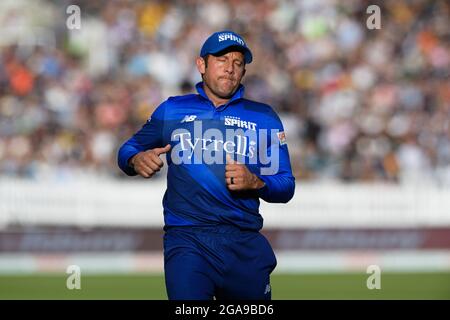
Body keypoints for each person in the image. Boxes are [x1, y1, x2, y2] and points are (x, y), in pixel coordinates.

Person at [118, 30, 295, 300]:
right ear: (202, 65)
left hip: (243, 243)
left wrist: (256, 182)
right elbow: (128, 149)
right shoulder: (172, 110)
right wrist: (135, 159)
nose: (230, 69)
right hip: (188, 239)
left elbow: (285, 185)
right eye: (222, 60)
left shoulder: (264, 118)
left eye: (238, 63)